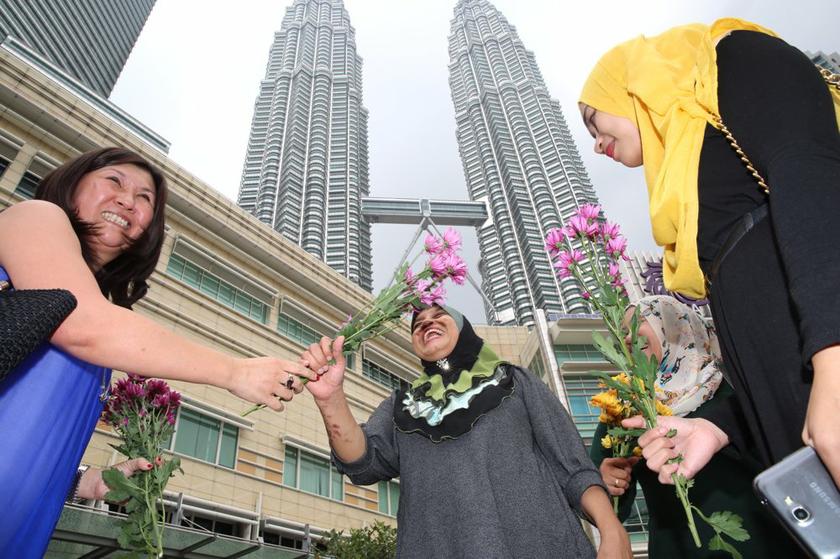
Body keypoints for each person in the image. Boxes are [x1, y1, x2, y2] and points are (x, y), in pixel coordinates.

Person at [0, 147, 315, 557]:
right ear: (72, 184)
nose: (128, 200)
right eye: (113, 181)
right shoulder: (36, 216)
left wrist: (88, 482)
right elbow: (80, 321)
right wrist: (235, 371)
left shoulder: (101, 346)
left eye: (145, 198)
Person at [577, 18, 840, 492]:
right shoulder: (686, 165)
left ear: (629, 83)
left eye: (593, 118)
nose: (595, 144)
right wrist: (720, 427)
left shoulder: (734, 57)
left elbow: (812, 182)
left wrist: (835, 358)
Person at [300, 304, 632, 558]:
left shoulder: (514, 380)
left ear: (463, 327)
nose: (426, 322)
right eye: (417, 323)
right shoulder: (402, 406)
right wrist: (331, 399)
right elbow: (362, 462)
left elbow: (572, 467)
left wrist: (611, 528)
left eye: (438, 314)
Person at [591, 296, 800, 557]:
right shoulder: (620, 410)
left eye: (639, 323)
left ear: (676, 326)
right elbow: (612, 510)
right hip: (675, 549)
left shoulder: (733, 384)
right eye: (622, 333)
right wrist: (607, 484)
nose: (628, 337)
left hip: (765, 542)